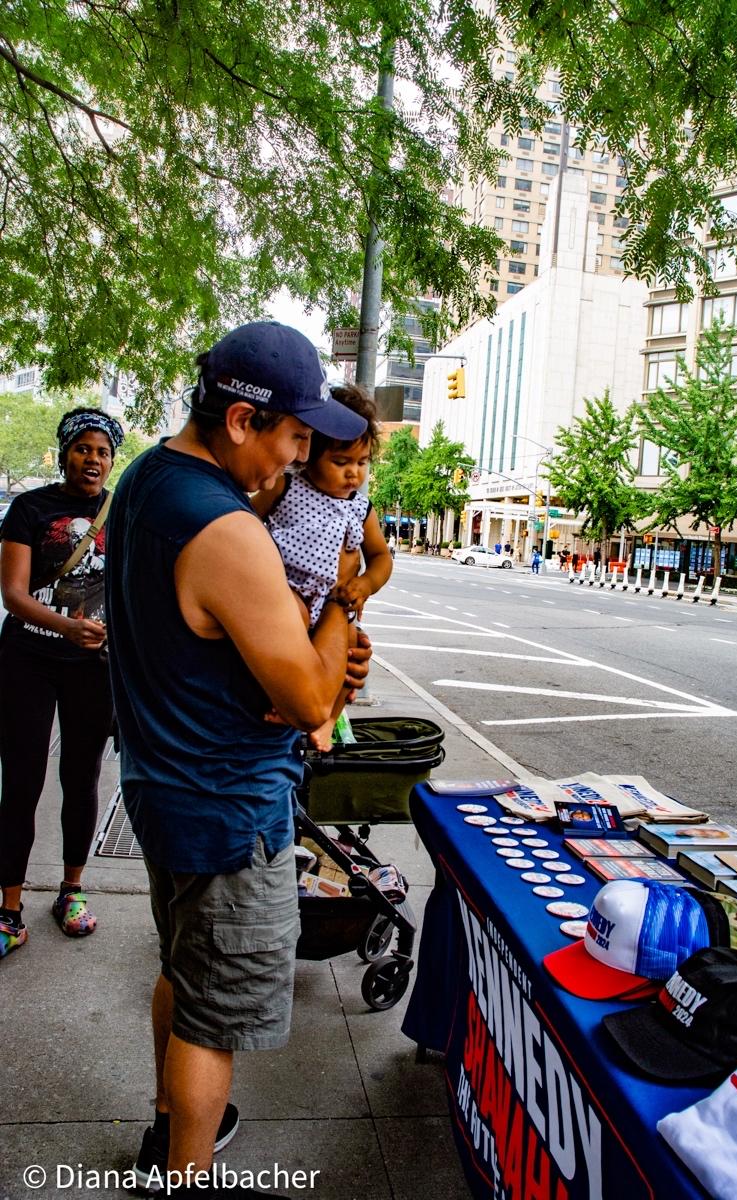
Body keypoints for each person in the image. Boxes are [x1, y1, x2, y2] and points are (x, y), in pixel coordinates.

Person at [105, 321, 372, 1198]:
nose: (299, 460)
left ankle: (172, 1125)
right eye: (296, 437)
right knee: (213, 1019)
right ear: (240, 423)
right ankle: (183, 1174)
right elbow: (306, 698)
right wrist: (340, 606)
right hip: (226, 807)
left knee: (183, 972)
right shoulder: (225, 529)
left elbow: (210, 641)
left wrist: (308, 649)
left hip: (163, 783)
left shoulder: (146, 478)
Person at [0, 408, 124, 960]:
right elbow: (14, 594)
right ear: (64, 452)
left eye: (102, 451)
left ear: (111, 460)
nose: (92, 459)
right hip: (28, 657)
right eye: (83, 448)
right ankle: (9, 907)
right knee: (21, 782)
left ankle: (71, 890)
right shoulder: (30, 508)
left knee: (82, 777)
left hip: (91, 668)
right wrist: (66, 626)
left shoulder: (119, 513)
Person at [252, 385, 392, 749]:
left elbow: (381, 557)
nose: (354, 475)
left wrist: (365, 584)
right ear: (308, 453)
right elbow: (243, 522)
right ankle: (284, 702)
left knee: (349, 652)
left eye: (362, 463)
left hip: (338, 602)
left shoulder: (361, 508)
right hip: (291, 595)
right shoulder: (284, 487)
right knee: (283, 653)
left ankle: (327, 721)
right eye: (341, 462)